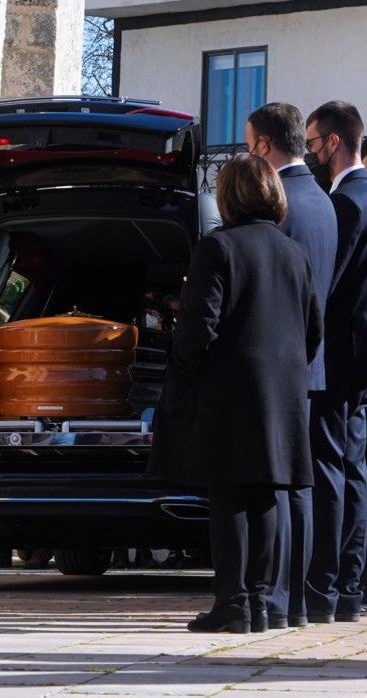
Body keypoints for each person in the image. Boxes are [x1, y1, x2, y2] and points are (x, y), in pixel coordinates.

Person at [150, 155, 320, 633]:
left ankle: (234, 602)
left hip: (229, 388)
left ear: (228, 196)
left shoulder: (217, 247)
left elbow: (197, 327)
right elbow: (313, 327)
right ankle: (262, 603)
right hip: (283, 390)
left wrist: (181, 374)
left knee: (229, 498)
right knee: (266, 494)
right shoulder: (294, 253)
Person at [246, 102, 338, 630]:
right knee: (299, 486)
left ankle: (278, 599)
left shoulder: (284, 205)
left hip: (282, 366)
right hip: (309, 363)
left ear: (263, 146)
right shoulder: (322, 201)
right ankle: (298, 601)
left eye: (248, 142)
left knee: (280, 486)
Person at [305, 101, 367, 624]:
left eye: (312, 142)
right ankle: (351, 586)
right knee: (356, 468)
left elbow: (327, 290)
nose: (310, 153)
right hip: (360, 358)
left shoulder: (347, 203)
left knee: (334, 470)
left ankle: (331, 586)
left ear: (333, 142)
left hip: (342, 357)